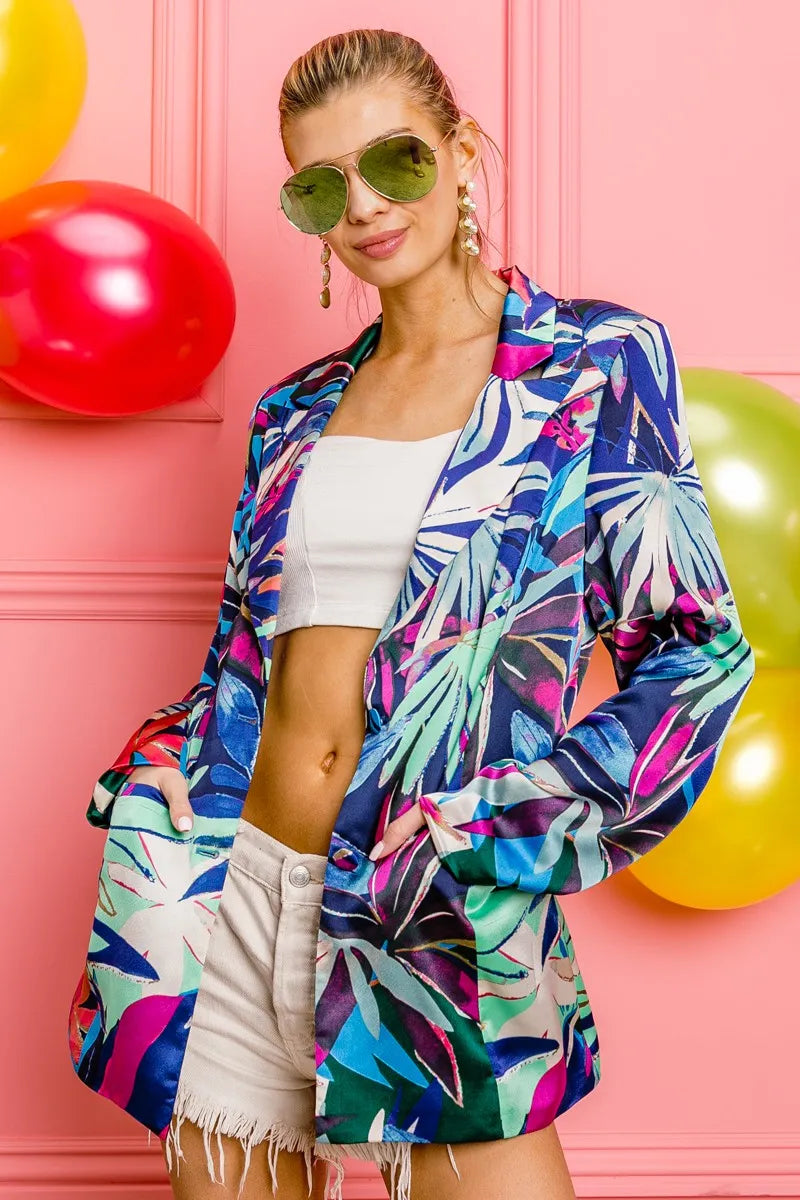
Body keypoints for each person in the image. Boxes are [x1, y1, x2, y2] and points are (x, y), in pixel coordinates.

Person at [67, 26, 756, 1200]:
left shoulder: (590, 367)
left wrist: (500, 827)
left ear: (461, 150)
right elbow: (245, 657)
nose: (364, 207)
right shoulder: (292, 413)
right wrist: (158, 767)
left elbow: (694, 655)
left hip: (420, 897)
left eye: (394, 162)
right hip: (222, 888)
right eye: (320, 185)